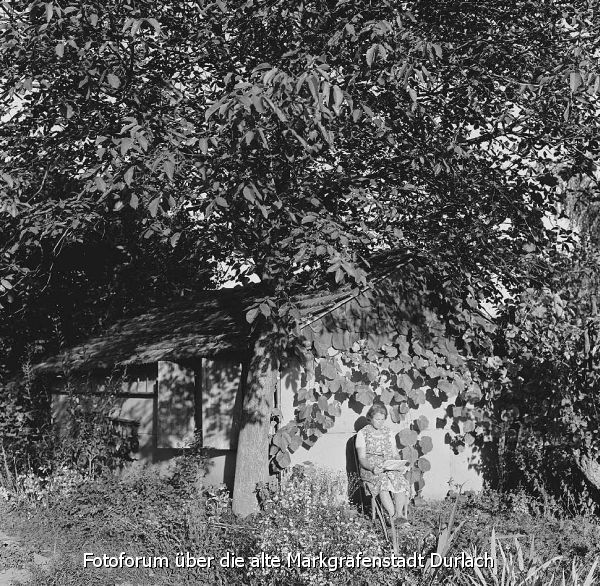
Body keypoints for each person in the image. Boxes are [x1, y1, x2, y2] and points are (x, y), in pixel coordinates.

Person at [355, 403, 410, 522]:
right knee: (383, 481)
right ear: (370, 418)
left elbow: (395, 453)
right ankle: (392, 516)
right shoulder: (362, 433)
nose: (380, 422)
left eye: (382, 419)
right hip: (371, 469)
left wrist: (398, 464)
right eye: (377, 419)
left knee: (398, 478)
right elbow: (362, 458)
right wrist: (372, 468)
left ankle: (399, 515)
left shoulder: (388, 432)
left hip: (388, 466)